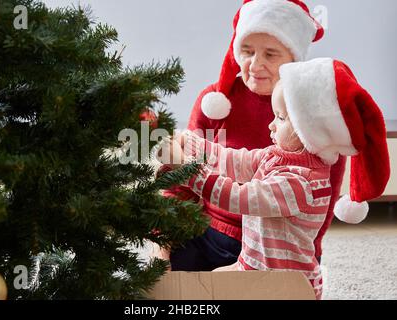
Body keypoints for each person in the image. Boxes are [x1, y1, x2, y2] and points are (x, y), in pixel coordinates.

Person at [163, 57, 390, 299]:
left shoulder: (302, 183)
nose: (271, 125)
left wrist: (186, 170)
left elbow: (240, 198)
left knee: (210, 290)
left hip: (285, 284)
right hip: (252, 265)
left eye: (281, 118)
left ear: (309, 131)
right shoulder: (278, 156)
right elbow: (236, 160)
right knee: (209, 284)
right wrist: (192, 144)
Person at [157, 0, 345, 271]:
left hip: (275, 245)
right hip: (211, 233)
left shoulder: (310, 112)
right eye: (247, 52)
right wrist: (164, 243)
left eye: (270, 54)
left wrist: (308, 253)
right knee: (166, 286)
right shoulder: (215, 101)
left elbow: (325, 195)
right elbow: (191, 179)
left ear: (294, 59)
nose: (255, 65)